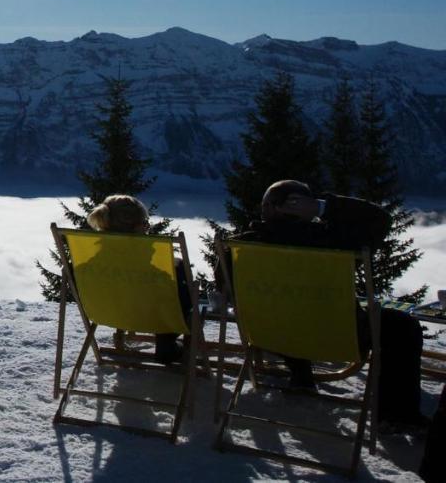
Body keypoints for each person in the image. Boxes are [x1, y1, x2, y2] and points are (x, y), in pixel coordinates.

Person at [230, 179, 426, 432]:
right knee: (402, 326)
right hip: (337, 336)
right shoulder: (335, 242)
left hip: (267, 333)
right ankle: (397, 415)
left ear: (266, 208)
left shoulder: (239, 247)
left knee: (286, 309)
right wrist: (323, 208)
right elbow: (380, 219)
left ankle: (300, 370)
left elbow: (227, 291)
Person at [85, 194, 189, 363]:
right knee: (178, 277)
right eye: (145, 223)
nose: (147, 228)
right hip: (147, 314)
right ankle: (166, 342)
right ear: (135, 227)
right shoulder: (147, 256)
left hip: (104, 312)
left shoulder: (95, 257)